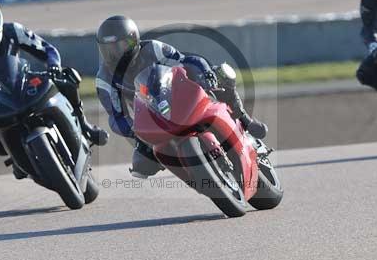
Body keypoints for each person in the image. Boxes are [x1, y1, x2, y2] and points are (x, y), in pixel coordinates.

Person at [94, 15, 268, 178]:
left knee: (222, 74)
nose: (115, 54)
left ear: (133, 41)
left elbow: (186, 61)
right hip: (151, 116)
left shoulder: (153, 49)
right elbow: (116, 115)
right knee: (141, 166)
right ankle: (189, 169)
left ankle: (245, 119)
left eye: (120, 46)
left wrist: (205, 74)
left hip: (178, 92)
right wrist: (134, 131)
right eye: (108, 49)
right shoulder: (104, 79)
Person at [0, 0, 108, 177]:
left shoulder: (14, 31)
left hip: (24, 84)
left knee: (67, 77)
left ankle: (84, 126)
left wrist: (53, 66)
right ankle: (17, 157)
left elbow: (47, 50)